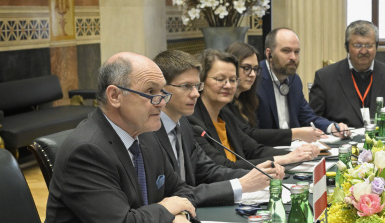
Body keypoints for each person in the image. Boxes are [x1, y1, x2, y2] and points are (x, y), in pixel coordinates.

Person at [32, 53, 199, 223]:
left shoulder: (147, 135)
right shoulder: (87, 151)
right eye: (151, 92)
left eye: (162, 92)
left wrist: (179, 214)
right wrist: (166, 208)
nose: (161, 102)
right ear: (115, 96)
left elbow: (182, 191)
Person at [146, 50, 282, 207]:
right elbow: (174, 194)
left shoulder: (183, 124)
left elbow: (209, 171)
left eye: (197, 86)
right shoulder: (148, 133)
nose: (196, 94)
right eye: (186, 86)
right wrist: (242, 184)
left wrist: (258, 175)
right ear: (162, 90)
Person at [187, 49, 319, 170]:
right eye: (220, 79)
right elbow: (223, 166)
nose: (228, 86)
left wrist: (297, 154)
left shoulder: (225, 114)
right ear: (201, 81)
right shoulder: (193, 122)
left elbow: (254, 150)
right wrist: (284, 159)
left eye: (233, 80)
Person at [309, 20, 385, 128]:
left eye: (369, 45)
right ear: (347, 47)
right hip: (340, 142)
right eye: (358, 45)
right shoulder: (325, 77)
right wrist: (332, 128)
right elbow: (312, 119)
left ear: (376, 47)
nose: (364, 51)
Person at [247, 30, 351, 139]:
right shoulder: (254, 80)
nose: (293, 57)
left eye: (296, 52)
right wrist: (293, 135)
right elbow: (254, 133)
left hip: (295, 147)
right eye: (286, 51)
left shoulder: (294, 80)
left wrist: (332, 127)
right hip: (268, 150)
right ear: (269, 54)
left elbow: (307, 117)